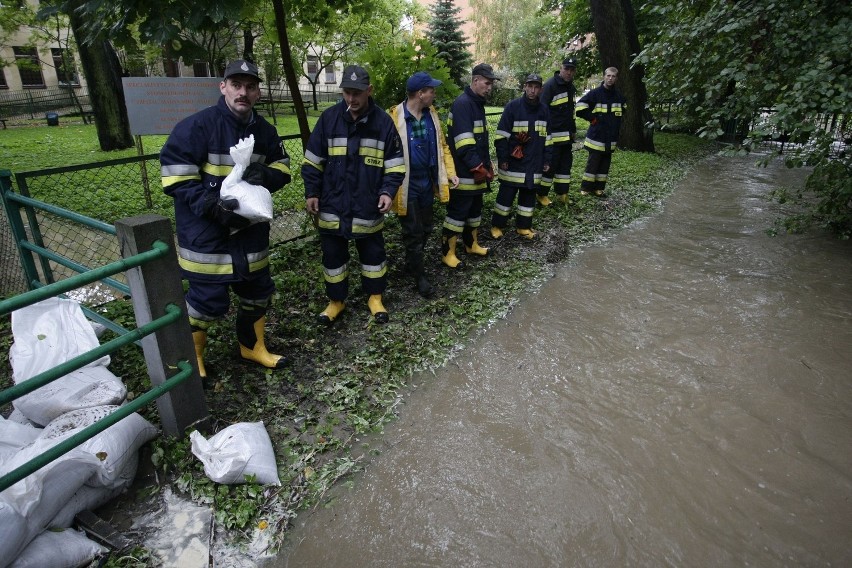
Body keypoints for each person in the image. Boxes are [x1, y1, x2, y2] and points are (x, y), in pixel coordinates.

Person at [160, 59, 291, 379]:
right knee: (205, 301)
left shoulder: (265, 131)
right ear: (223, 87)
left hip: (249, 234)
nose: (242, 92)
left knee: (258, 293)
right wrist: (210, 206)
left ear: (259, 92)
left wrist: (267, 175)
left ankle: (251, 346)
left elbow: (284, 168)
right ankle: (194, 360)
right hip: (208, 233)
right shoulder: (196, 127)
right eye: (236, 85)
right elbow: (175, 177)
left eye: (250, 86)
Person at [302, 65, 405, 324]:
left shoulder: (383, 122)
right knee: (333, 258)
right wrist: (312, 191)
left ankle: (375, 298)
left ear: (369, 90)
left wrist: (387, 192)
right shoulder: (328, 119)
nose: (351, 99)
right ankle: (336, 301)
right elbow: (313, 161)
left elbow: (395, 166)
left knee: (373, 256)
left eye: (357, 93)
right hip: (332, 206)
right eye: (347, 92)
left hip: (367, 205)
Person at [388, 71, 459, 297]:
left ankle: (412, 261)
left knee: (427, 227)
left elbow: (443, 146)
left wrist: (450, 171)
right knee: (413, 231)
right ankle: (419, 276)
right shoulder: (394, 118)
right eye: (431, 90)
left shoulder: (432, 115)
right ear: (420, 93)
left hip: (427, 183)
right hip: (406, 185)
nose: (434, 94)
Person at [442, 63, 500, 268]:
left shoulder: (476, 103)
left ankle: (471, 244)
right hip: (463, 173)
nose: (489, 87)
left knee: (475, 211)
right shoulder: (463, 104)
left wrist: (487, 166)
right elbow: (464, 144)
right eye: (487, 83)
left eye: (491, 83)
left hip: (475, 172)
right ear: (475, 81)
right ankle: (448, 253)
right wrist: (479, 167)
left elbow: (480, 140)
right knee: (457, 214)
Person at [490, 73, 552, 240]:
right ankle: (497, 225)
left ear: (540, 89)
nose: (532, 90)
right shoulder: (513, 107)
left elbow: (548, 139)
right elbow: (501, 136)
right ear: (524, 87)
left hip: (534, 164)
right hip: (513, 163)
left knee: (528, 197)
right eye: (530, 86)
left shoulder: (544, 110)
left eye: (536, 87)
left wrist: (547, 160)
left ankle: (523, 227)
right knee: (505, 197)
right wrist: (503, 159)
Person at [575, 66, 626, 197]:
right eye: (608, 75)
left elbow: (623, 110)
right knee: (593, 163)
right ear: (604, 76)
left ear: (616, 78)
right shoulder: (595, 93)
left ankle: (599, 188)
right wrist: (592, 118)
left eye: (613, 76)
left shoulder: (619, 96)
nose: (610, 78)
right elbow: (580, 107)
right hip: (597, 136)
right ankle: (586, 188)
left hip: (611, 136)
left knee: (605, 164)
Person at [539, 57, 578, 205]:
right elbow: (542, 111)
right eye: (566, 69)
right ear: (560, 68)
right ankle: (541, 194)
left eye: (571, 70)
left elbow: (570, 112)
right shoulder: (550, 86)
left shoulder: (570, 87)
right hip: (552, 137)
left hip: (566, 137)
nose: (568, 72)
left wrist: (573, 130)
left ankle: (562, 193)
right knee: (549, 167)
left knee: (565, 167)